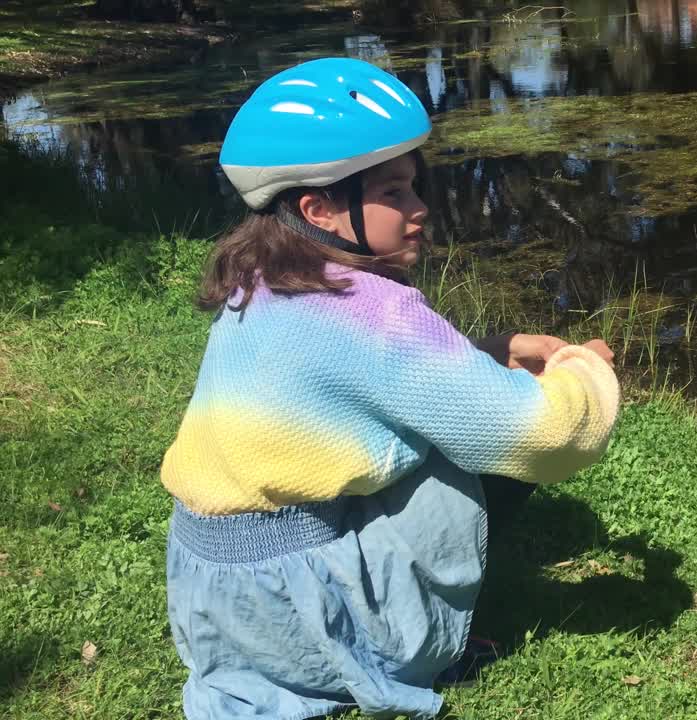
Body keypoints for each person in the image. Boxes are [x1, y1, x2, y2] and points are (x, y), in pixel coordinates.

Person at [160, 57, 620, 720]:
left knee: (459, 405)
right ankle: (417, 646)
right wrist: (583, 368)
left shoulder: (258, 282)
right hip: (302, 622)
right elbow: (542, 436)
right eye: (394, 192)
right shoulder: (377, 314)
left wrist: (498, 350)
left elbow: (368, 381)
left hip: (213, 604)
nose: (419, 208)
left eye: (412, 186)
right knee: (469, 449)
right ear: (319, 207)